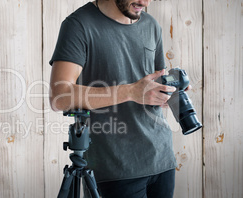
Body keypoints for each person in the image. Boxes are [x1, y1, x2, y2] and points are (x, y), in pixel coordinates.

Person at [49, 0, 191, 197]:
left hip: (162, 160)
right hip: (115, 168)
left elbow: (151, 85)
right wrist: (132, 91)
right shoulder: (79, 25)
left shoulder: (151, 25)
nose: (145, 2)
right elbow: (59, 96)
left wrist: (169, 92)